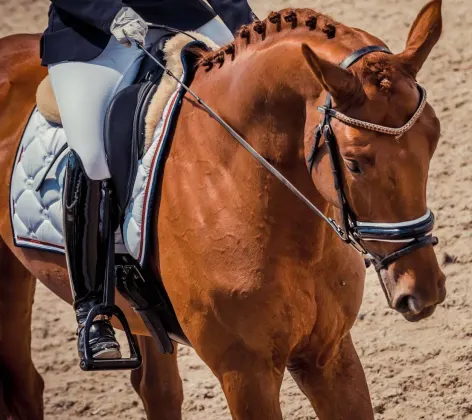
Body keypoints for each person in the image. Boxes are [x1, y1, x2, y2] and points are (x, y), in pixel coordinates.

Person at [40, 0, 257, 363]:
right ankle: (94, 311)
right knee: (92, 157)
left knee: (253, 101)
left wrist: (246, 26)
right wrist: (109, 15)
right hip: (94, 37)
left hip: (181, 18)